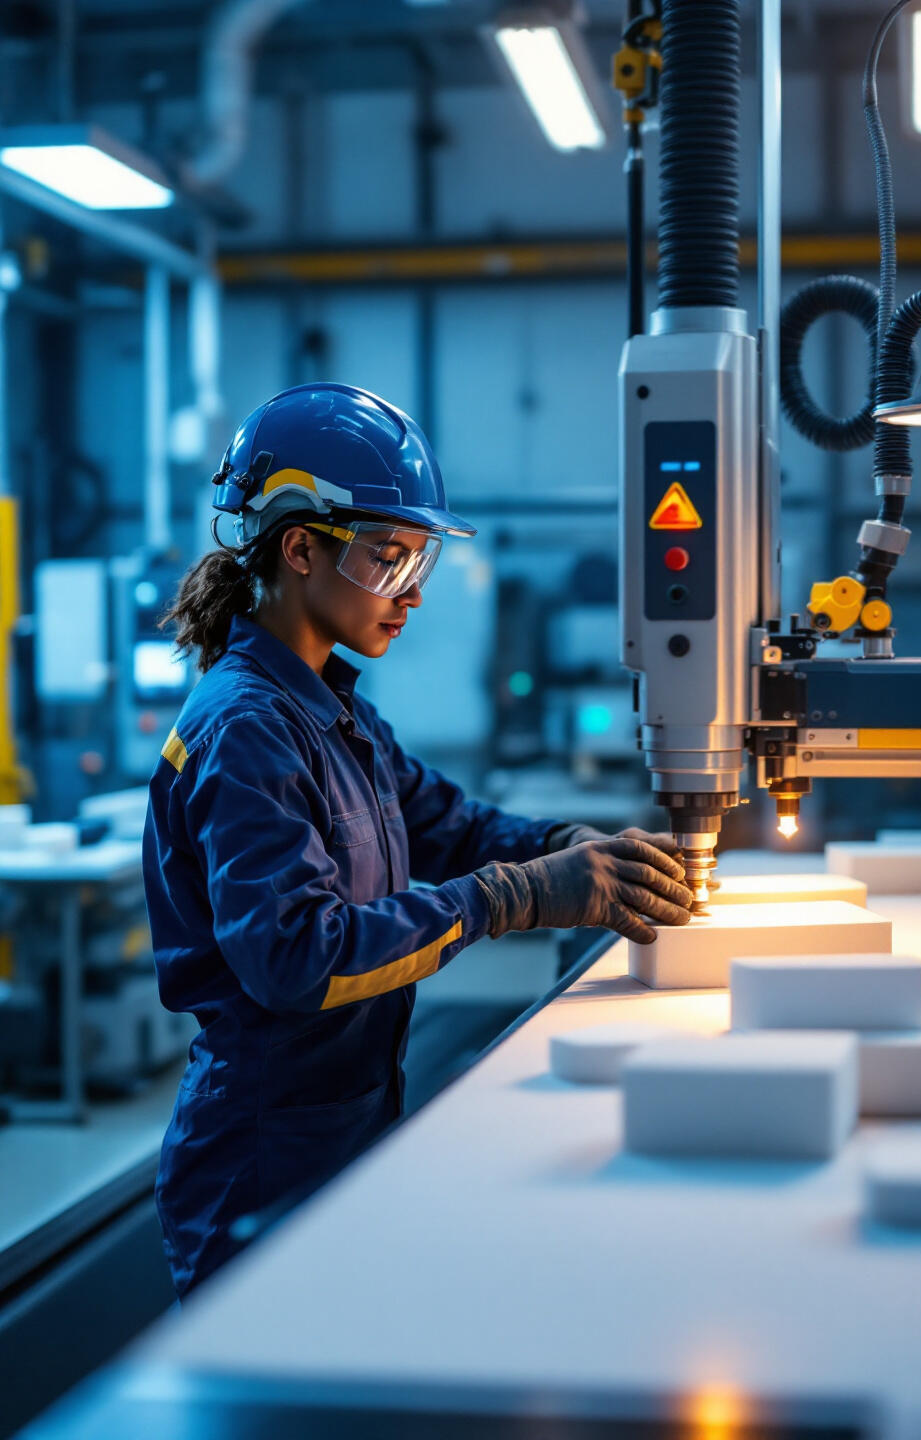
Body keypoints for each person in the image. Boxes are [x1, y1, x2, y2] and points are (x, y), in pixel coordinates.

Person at [142, 382, 692, 1296]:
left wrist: (569, 843)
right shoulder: (247, 729)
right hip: (265, 1152)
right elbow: (299, 959)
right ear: (301, 547)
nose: (415, 594)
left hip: (342, 1126)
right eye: (390, 560)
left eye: (419, 561)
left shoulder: (331, 710)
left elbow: (450, 826)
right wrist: (518, 896)